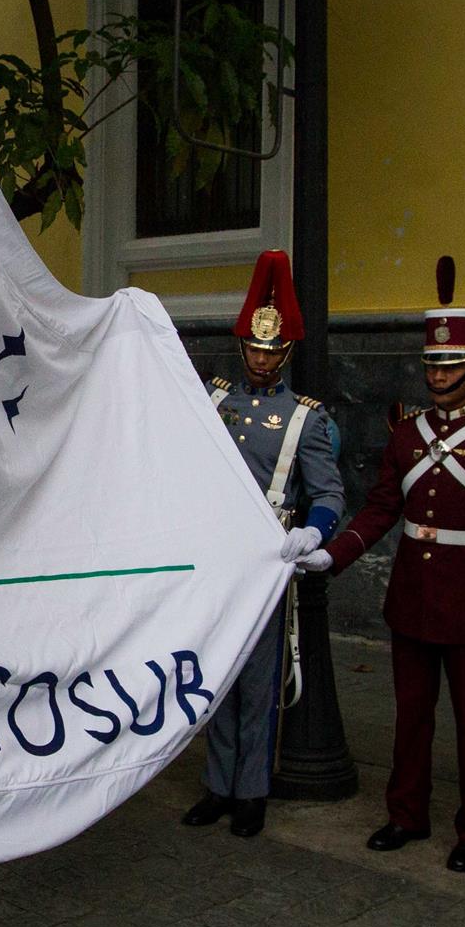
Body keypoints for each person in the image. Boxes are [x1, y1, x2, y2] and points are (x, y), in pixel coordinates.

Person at [297, 257, 465, 872]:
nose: (439, 376)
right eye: (433, 364)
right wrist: (334, 553)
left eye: (453, 365)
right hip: (412, 598)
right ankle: (405, 814)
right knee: (411, 718)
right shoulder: (407, 433)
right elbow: (383, 509)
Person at [183, 250, 344, 838]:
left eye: (270, 351)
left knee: (257, 679)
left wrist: (313, 530)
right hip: (216, 556)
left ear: (287, 353)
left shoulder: (305, 418)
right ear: (241, 345)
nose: (259, 359)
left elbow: (329, 495)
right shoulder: (214, 399)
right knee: (215, 674)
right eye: (252, 348)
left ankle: (251, 789)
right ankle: (217, 783)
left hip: (268, 559)